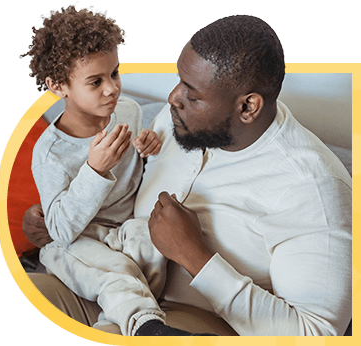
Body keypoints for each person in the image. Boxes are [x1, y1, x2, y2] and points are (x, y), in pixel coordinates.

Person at [23, 14, 352, 336]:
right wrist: (53, 216)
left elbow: (316, 333)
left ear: (248, 107)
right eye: (179, 81)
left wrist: (196, 256)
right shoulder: (176, 122)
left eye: (192, 95)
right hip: (115, 271)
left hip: (197, 317)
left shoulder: (313, 189)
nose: (172, 99)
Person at [20, 4, 216, 337]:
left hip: (124, 231)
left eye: (115, 73)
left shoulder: (127, 111)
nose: (112, 88)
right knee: (115, 270)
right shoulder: (51, 152)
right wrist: (94, 170)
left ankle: (126, 305)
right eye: (95, 82)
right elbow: (60, 229)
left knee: (153, 236)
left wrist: (147, 150)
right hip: (76, 241)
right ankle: (147, 327)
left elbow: (136, 179)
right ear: (58, 86)